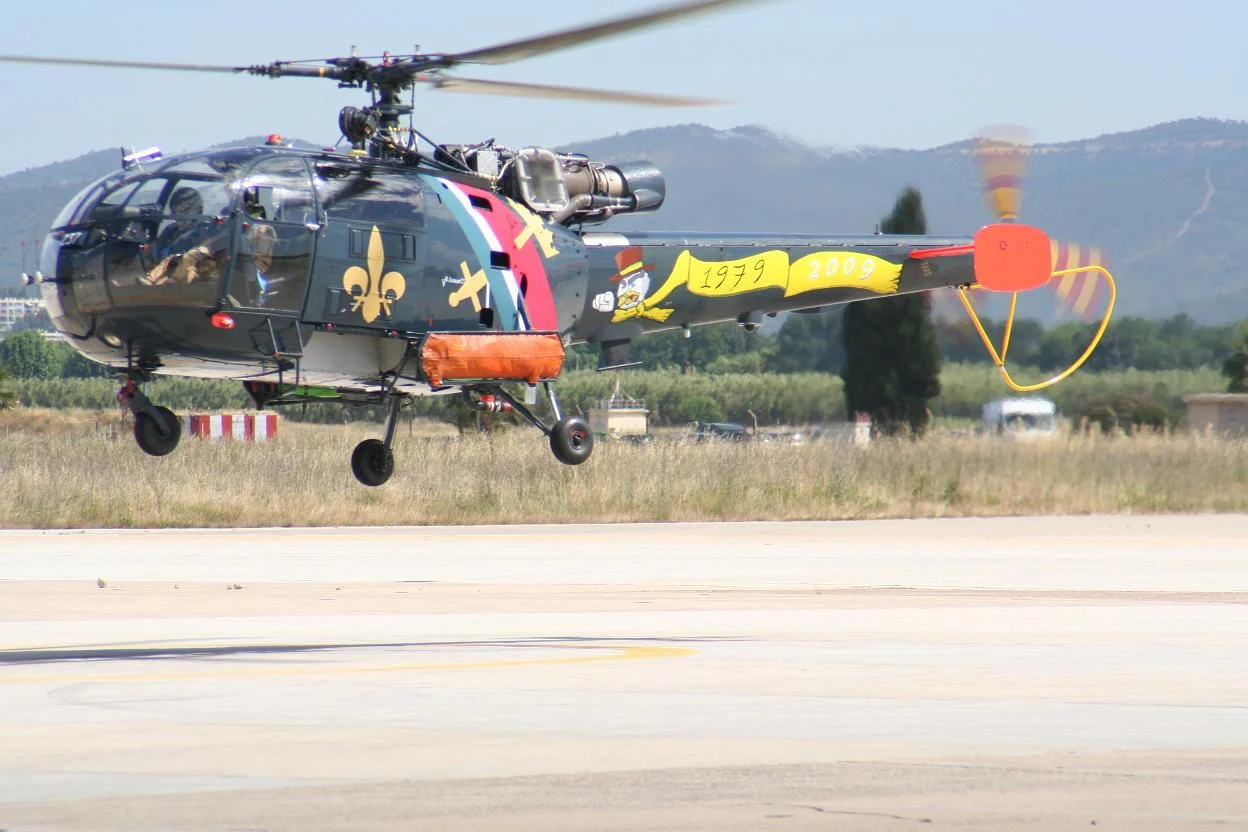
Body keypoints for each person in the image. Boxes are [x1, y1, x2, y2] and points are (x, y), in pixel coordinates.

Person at [143, 185, 221, 285]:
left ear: (195, 211)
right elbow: (153, 255)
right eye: (175, 212)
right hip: (159, 275)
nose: (178, 217)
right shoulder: (170, 231)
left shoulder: (203, 232)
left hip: (184, 283)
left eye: (183, 212)